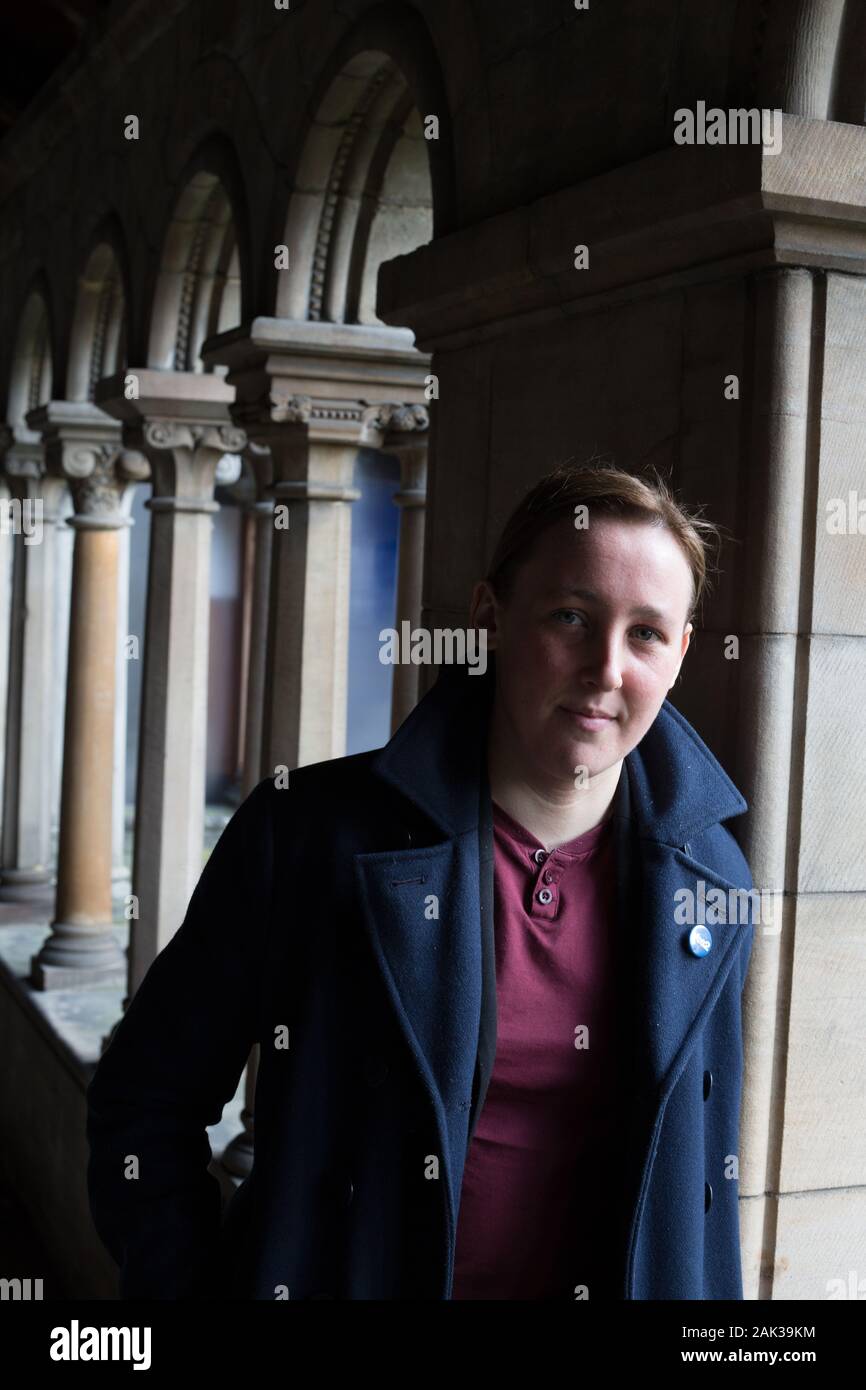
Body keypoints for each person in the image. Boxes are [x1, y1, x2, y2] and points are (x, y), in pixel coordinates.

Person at [86, 461, 756, 1300]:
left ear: (682, 652)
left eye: (647, 634)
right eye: (571, 617)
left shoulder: (713, 879)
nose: (605, 669)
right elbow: (147, 1100)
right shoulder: (308, 838)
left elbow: (703, 1196)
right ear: (490, 617)